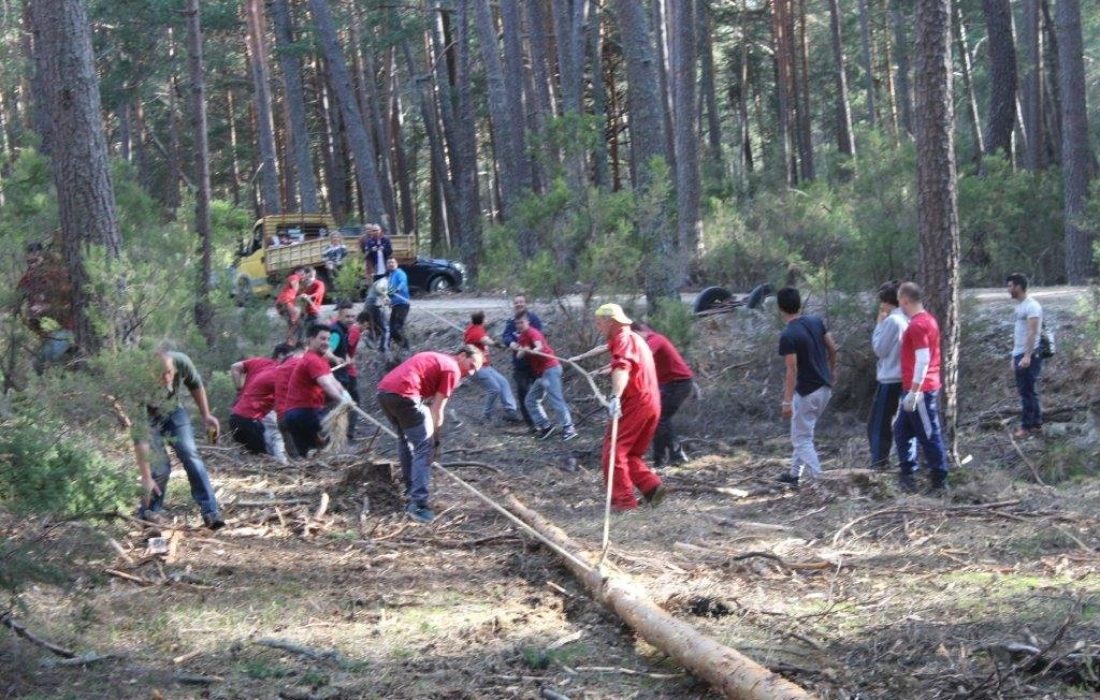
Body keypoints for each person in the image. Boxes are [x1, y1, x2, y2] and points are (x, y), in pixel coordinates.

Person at [377, 347, 484, 524]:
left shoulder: (439, 358)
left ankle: (410, 489)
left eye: (476, 370)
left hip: (384, 392)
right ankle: (418, 503)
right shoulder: (452, 369)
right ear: (462, 356)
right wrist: (436, 441)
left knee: (405, 439)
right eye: (471, 366)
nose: (471, 373)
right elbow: (437, 409)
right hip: (405, 395)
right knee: (424, 448)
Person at [133, 347, 224, 530]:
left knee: (189, 453)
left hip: (174, 410)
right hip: (148, 417)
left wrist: (206, 415)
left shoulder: (181, 361)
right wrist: (145, 476)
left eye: (169, 372)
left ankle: (211, 512)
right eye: (160, 375)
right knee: (160, 467)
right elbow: (140, 435)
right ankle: (150, 514)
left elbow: (195, 385)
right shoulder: (137, 385)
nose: (167, 378)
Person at [594, 304, 665, 511]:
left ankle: (624, 503)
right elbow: (624, 364)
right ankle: (652, 488)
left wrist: (615, 396)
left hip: (636, 401)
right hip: (652, 402)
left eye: (599, 323)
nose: (598, 328)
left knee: (614, 451)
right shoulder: (635, 339)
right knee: (630, 454)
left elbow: (622, 366)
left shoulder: (623, 338)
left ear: (610, 321)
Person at [775, 287, 838, 486]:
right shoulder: (815, 321)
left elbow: (791, 370)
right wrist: (832, 371)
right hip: (824, 388)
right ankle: (794, 475)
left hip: (807, 392)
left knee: (801, 439)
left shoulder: (788, 335)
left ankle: (819, 481)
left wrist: (786, 401)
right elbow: (833, 348)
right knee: (803, 433)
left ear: (780, 308)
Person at [893, 282, 949, 493]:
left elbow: (923, 359)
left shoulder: (918, 325)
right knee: (902, 431)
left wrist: (915, 391)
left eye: (900, 301)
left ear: (906, 300)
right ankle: (907, 475)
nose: (900, 305)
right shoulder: (927, 321)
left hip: (921, 390)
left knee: (928, 433)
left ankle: (939, 480)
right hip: (912, 388)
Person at [283, 324, 354, 457]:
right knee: (323, 452)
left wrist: (345, 394)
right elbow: (326, 385)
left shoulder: (320, 361)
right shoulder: (312, 360)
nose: (326, 343)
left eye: (328, 339)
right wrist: (342, 400)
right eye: (322, 339)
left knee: (307, 457)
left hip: (295, 414)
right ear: (310, 339)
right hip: (305, 412)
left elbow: (334, 382)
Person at [635, 323, 694, 469]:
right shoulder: (649, 341)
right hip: (668, 385)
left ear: (639, 332)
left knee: (660, 418)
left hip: (678, 384)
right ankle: (662, 459)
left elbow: (642, 358)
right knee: (657, 419)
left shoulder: (656, 340)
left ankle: (675, 455)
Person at [512, 312, 577, 441]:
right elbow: (519, 355)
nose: (519, 325)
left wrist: (532, 350)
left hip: (550, 368)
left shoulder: (532, 332)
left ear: (527, 322)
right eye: (517, 323)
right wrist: (519, 348)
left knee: (556, 399)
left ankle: (569, 428)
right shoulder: (522, 337)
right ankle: (546, 426)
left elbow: (539, 346)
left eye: (521, 322)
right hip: (542, 373)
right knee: (530, 400)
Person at [16, 242, 75, 372]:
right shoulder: (27, 279)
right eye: (29, 260)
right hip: (47, 333)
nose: (32, 263)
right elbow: (15, 299)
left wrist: (47, 307)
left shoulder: (57, 275)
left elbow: (72, 305)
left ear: (43, 256)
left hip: (67, 328)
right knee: (38, 365)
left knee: (52, 357)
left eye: (35, 259)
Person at [868, 281, 908, 470]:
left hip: (891, 377)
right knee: (881, 422)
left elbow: (879, 349)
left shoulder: (892, 321)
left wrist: (878, 325)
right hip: (897, 376)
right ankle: (881, 460)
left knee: (878, 424)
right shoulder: (905, 318)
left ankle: (879, 463)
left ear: (886, 302)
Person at [228, 344, 294, 458]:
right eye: (291, 358)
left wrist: (239, 389)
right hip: (250, 421)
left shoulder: (259, 362)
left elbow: (235, 367)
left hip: (234, 417)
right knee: (262, 459)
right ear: (281, 355)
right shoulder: (280, 373)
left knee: (247, 457)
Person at [465, 311, 523, 423]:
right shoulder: (476, 331)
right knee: (494, 389)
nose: (488, 320)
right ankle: (486, 415)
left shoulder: (476, 328)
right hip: (477, 367)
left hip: (486, 366)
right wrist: (499, 345)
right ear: (482, 320)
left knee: (503, 382)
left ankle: (511, 411)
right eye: (486, 318)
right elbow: (486, 341)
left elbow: (483, 339)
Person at [1007, 273, 1044, 438]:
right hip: (1019, 353)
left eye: (1010, 286)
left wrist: (1027, 356)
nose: (1008, 289)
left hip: (1029, 354)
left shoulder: (1032, 306)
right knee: (1029, 390)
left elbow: (1032, 331)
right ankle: (1036, 423)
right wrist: (1013, 355)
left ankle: (1026, 426)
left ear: (1019, 287)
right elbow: (1019, 333)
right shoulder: (1020, 306)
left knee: (1026, 392)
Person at [501, 294, 543, 430]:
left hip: (535, 362)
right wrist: (511, 343)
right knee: (523, 392)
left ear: (525, 303)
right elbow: (505, 336)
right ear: (514, 305)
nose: (519, 304)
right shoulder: (511, 321)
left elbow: (539, 336)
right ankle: (531, 424)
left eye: (521, 302)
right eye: (516, 302)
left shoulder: (534, 319)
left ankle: (542, 421)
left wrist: (527, 347)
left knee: (537, 394)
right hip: (519, 364)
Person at [327, 301, 361, 441]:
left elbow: (343, 349)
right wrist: (335, 358)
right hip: (335, 378)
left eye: (353, 317)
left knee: (345, 407)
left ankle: (342, 438)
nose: (351, 320)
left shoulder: (343, 330)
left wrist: (346, 356)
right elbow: (327, 350)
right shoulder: (336, 331)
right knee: (340, 409)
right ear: (340, 316)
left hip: (340, 376)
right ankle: (340, 440)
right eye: (347, 317)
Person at [386, 257, 411, 352]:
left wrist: (397, 289)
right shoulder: (391, 276)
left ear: (396, 264)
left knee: (397, 327)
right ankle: (400, 347)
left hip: (403, 304)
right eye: (389, 263)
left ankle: (406, 348)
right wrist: (389, 300)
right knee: (391, 329)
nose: (390, 264)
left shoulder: (400, 273)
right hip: (395, 305)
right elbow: (390, 292)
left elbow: (403, 282)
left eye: (392, 262)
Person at [274, 267, 305, 344]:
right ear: (297, 271)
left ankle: (290, 342)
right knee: (297, 322)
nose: (303, 275)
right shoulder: (294, 277)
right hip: (285, 302)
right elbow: (294, 287)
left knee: (292, 323)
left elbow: (294, 293)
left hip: (283, 303)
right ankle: (290, 341)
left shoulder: (295, 279)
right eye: (302, 273)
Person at [364, 275, 391, 354]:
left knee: (374, 325)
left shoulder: (376, 282)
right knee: (385, 329)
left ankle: (370, 338)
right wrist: (385, 295)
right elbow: (379, 288)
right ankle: (383, 349)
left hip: (368, 304)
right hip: (375, 304)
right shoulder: (384, 280)